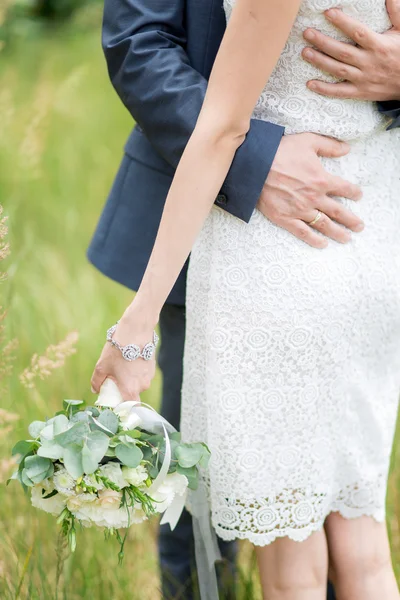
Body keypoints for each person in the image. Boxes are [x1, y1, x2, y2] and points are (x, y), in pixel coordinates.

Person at [88, 0, 400, 598]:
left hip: (283, 265)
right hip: (367, 238)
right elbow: (139, 38)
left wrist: (134, 325)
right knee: (363, 547)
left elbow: (221, 129)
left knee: (292, 571)